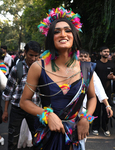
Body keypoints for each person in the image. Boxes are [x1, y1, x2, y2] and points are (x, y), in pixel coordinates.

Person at [20, 7, 97, 150]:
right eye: (56, 31)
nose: (63, 34)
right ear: (50, 37)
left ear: (74, 35)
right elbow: (24, 101)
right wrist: (47, 115)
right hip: (47, 137)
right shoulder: (38, 67)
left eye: (68, 30)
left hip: (73, 137)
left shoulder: (86, 68)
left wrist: (86, 117)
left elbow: (92, 97)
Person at [2, 41, 41, 150]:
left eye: (36, 56)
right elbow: (8, 91)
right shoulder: (17, 68)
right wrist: (5, 111)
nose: (33, 58)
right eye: (31, 55)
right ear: (25, 53)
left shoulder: (42, 69)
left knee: (37, 136)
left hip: (34, 108)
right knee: (13, 137)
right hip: (17, 108)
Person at [92, 46, 115, 137]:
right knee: (96, 110)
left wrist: (113, 77)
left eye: (108, 51)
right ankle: (95, 127)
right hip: (96, 91)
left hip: (107, 91)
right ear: (100, 53)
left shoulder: (112, 64)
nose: (106, 53)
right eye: (104, 51)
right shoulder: (95, 64)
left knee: (107, 110)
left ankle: (105, 128)